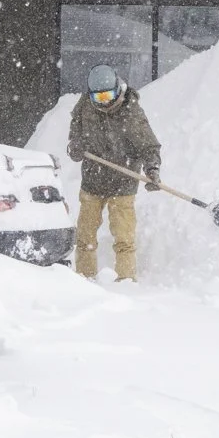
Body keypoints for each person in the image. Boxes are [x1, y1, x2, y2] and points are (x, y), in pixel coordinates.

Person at [66, 64, 162, 282]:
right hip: (93, 180)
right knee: (84, 236)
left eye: (107, 95)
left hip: (123, 181)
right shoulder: (85, 106)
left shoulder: (131, 110)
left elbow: (148, 145)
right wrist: (76, 146)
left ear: (117, 89)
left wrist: (152, 170)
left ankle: (126, 281)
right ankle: (84, 279)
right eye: (97, 97)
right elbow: (75, 133)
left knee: (124, 238)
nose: (104, 102)